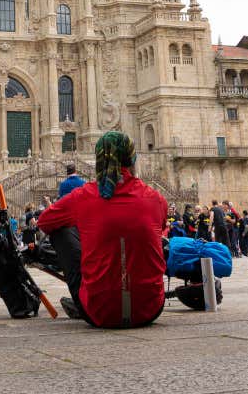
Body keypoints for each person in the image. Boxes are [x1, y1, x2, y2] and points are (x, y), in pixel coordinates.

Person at [37, 131, 167, 329]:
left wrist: (84, 229)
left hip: (98, 312)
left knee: (60, 231)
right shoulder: (156, 199)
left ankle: (90, 289)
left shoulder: (83, 196)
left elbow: (45, 222)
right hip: (150, 309)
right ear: (133, 159)